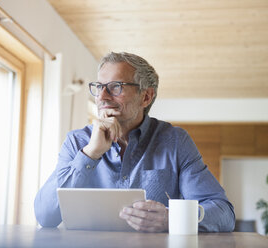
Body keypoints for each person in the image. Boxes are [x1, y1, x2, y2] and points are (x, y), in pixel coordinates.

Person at [34, 52, 235, 232]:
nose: (102, 97)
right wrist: (90, 154)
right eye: (99, 87)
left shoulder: (175, 141)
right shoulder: (77, 142)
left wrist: (173, 220)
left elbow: (223, 212)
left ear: (146, 97)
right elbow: (45, 216)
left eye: (115, 87)